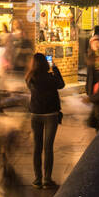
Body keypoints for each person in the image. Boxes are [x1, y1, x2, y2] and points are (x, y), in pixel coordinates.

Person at [25, 52, 63, 188]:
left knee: (37, 147)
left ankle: (37, 179)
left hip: (35, 114)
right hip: (50, 115)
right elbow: (61, 85)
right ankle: (47, 179)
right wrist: (56, 69)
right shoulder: (51, 77)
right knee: (48, 148)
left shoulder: (30, 78)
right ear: (46, 63)